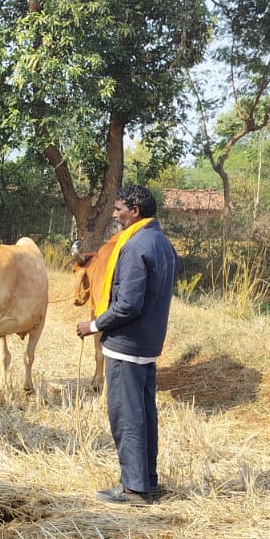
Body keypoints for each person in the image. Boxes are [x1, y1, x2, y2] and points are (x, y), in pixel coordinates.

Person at [75, 184, 178, 505]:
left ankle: (133, 489)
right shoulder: (162, 243)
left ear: (135, 211)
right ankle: (147, 481)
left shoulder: (134, 247)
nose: (116, 214)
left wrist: (92, 324)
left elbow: (127, 305)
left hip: (127, 345)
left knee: (126, 416)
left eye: (119, 209)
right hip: (148, 343)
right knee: (144, 414)